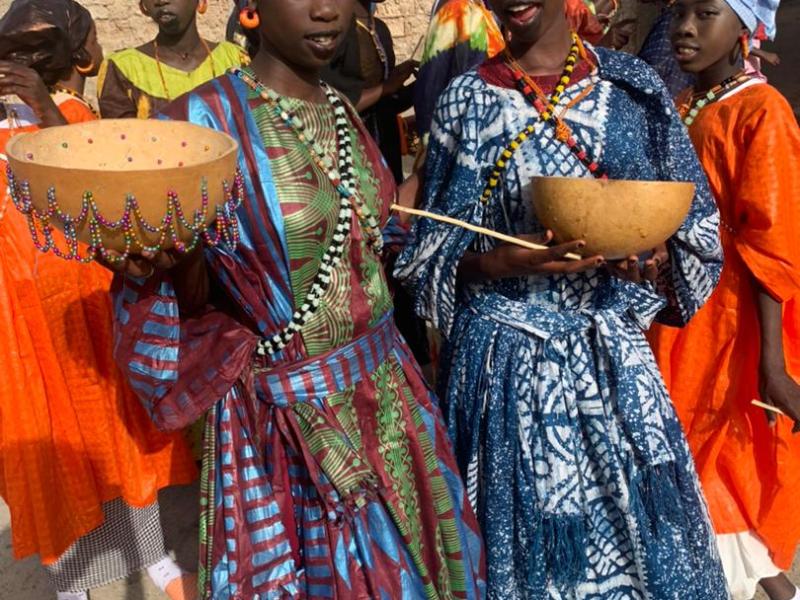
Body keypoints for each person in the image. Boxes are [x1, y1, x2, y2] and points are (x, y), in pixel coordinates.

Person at [106, 0, 485, 598]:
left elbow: (373, 239)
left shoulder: (341, 111)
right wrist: (171, 266)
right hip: (297, 423)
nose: (326, 10)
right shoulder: (204, 124)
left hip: (391, 394)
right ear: (252, 8)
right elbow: (181, 296)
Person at [394, 0, 731, 596]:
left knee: (642, 556)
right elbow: (425, 252)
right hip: (506, 370)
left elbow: (694, 225)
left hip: (613, 366)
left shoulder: (634, 90)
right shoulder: (464, 102)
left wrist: (651, 259)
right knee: (528, 564)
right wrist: (497, 262)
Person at [0, 2, 198, 600]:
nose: (22, 65)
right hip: (22, 323)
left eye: (41, 54)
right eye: (12, 52)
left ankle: (152, 554)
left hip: (90, 307)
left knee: (116, 439)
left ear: (76, 59)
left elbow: (99, 179)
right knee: (50, 442)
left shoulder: (77, 118)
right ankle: (73, 579)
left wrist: (43, 107)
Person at [648, 0, 800, 597]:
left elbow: (774, 242)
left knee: (725, 460)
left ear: (745, 28)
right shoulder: (685, 105)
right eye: (680, 13)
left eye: (706, 14)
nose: (685, 28)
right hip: (679, 318)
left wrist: (771, 362)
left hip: (732, 324)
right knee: (690, 457)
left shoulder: (762, 112)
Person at [97, 0, 247, 119]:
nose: (161, 1)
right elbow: (123, 145)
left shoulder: (235, 59)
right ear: (143, 6)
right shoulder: (123, 68)